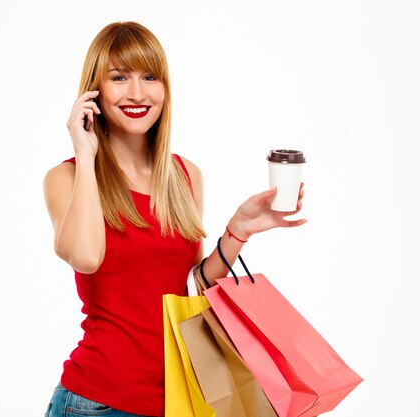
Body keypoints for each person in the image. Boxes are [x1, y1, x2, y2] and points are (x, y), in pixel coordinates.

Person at [42, 21, 305, 417]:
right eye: (119, 77)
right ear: (94, 90)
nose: (137, 93)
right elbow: (86, 257)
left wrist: (239, 230)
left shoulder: (185, 175)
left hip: (177, 402)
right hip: (95, 403)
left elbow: (192, 287)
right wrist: (85, 154)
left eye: (150, 77)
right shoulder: (66, 178)